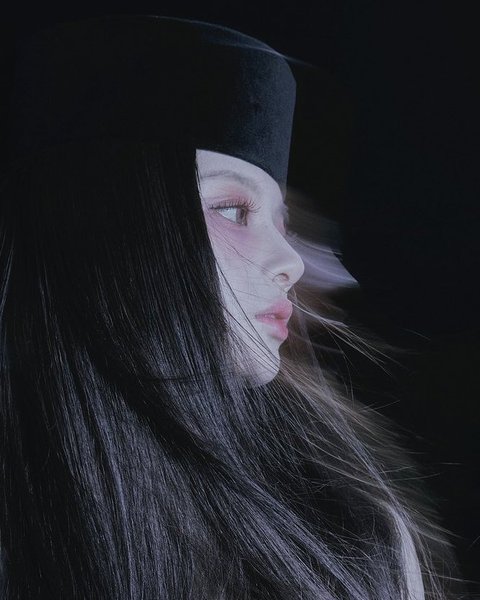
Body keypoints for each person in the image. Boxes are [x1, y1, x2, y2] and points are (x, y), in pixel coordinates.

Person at [0, 14, 465, 599]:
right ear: (106, 229)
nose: (292, 263)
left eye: (282, 222)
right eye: (231, 209)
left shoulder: (354, 532)